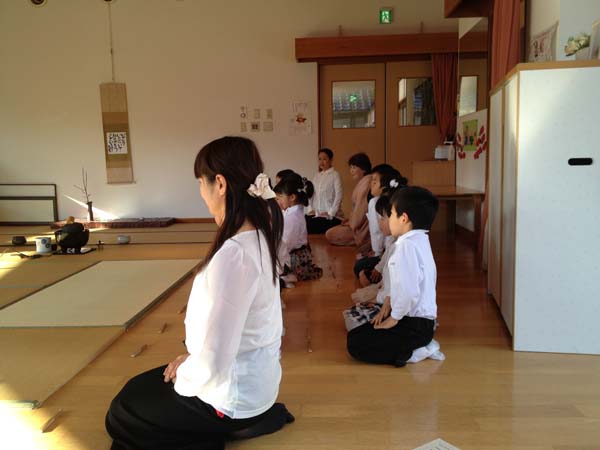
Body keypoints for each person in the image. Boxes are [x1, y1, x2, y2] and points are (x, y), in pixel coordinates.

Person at [106, 136, 294, 450]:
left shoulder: (234, 255)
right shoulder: (261, 233)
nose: (200, 192)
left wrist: (192, 369)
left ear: (219, 184)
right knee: (139, 387)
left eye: (200, 182)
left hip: (232, 399)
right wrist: (191, 360)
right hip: (256, 385)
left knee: (122, 413)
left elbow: (214, 365)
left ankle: (222, 431)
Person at [346, 186, 439, 367]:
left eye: (392, 214)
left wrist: (393, 318)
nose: (389, 220)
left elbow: (408, 291)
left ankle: (412, 352)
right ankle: (415, 344)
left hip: (414, 326)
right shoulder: (419, 240)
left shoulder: (405, 247)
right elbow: (401, 284)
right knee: (359, 333)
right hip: (422, 323)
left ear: (403, 218)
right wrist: (387, 305)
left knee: (355, 343)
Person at [353, 164, 405, 283]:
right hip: (391, 251)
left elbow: (377, 232)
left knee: (359, 266)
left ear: (385, 186)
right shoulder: (396, 200)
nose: (371, 184)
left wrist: (377, 253)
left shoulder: (376, 203)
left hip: (389, 252)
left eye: (375, 181)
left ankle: (375, 277)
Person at [274, 174, 323, 285]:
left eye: (279, 198)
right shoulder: (292, 212)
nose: (277, 201)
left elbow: (287, 244)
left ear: (292, 197)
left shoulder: (293, 216)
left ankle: (289, 275)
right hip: (294, 253)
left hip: (295, 258)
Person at [325, 152, 372, 255]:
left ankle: (365, 241)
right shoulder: (364, 182)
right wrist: (350, 220)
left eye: (354, 167)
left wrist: (351, 223)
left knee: (330, 234)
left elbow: (360, 214)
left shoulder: (366, 184)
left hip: (363, 230)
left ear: (363, 168)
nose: (351, 171)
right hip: (358, 225)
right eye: (350, 167)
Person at [305, 148, 344, 234]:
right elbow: (310, 194)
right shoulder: (316, 176)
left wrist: (331, 213)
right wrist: (310, 209)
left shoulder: (335, 175)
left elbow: (339, 195)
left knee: (312, 226)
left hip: (330, 216)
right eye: (319, 159)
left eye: (324, 159)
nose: (321, 162)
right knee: (303, 221)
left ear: (331, 160)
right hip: (316, 214)